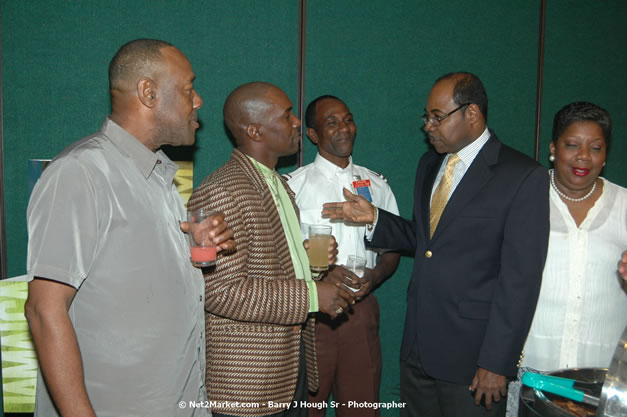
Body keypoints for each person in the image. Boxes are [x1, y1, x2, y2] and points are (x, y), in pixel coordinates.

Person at [24, 39, 236, 417]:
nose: (199, 100)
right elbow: (44, 310)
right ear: (148, 93)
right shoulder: (80, 172)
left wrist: (191, 249)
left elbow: (130, 276)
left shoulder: (158, 177)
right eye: (189, 89)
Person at [322, 72, 550, 417]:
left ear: (471, 113)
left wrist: (497, 363)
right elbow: (428, 241)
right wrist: (375, 219)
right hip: (418, 350)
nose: (428, 126)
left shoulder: (521, 175)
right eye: (426, 117)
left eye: (437, 117)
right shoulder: (429, 165)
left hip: (473, 360)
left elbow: (522, 280)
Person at [187, 82, 356, 417]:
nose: (296, 122)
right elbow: (220, 290)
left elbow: (269, 268)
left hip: (288, 369)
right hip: (248, 384)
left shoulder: (279, 185)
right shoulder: (223, 190)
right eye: (287, 115)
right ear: (255, 131)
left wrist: (310, 264)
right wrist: (312, 295)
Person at [285, 95, 401, 417]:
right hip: (310, 317)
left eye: (348, 119)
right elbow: (282, 254)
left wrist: (375, 277)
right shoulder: (293, 187)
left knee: (361, 408)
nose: (343, 128)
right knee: (308, 409)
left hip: (360, 313)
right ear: (313, 134)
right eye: (331, 123)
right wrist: (321, 272)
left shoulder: (377, 186)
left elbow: (391, 251)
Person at [521, 102, 627, 371]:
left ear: (605, 155)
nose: (583, 157)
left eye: (595, 148)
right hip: (529, 366)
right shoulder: (521, 198)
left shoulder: (624, 204)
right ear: (553, 149)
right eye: (572, 145)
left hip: (603, 373)